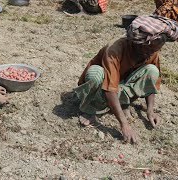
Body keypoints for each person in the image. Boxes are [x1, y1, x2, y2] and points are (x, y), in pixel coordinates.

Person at [73, 15, 178, 144]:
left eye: (155, 50)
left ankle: (119, 104)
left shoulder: (151, 50)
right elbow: (109, 89)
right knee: (96, 74)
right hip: (101, 87)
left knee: (152, 70)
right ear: (137, 44)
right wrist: (124, 125)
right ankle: (93, 107)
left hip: (119, 86)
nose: (151, 53)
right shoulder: (115, 49)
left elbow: (151, 81)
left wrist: (150, 110)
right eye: (149, 49)